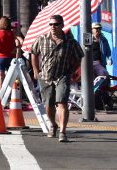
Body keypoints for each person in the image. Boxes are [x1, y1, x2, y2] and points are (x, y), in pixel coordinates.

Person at [29, 14, 84, 143]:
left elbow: (79, 57)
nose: (53, 27)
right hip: (46, 76)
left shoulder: (70, 42)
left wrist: (71, 72)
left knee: (62, 102)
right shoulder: (42, 38)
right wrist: (36, 70)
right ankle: (53, 125)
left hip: (62, 75)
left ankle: (63, 131)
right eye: (51, 24)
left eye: (56, 24)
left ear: (62, 25)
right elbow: (33, 53)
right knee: (48, 104)